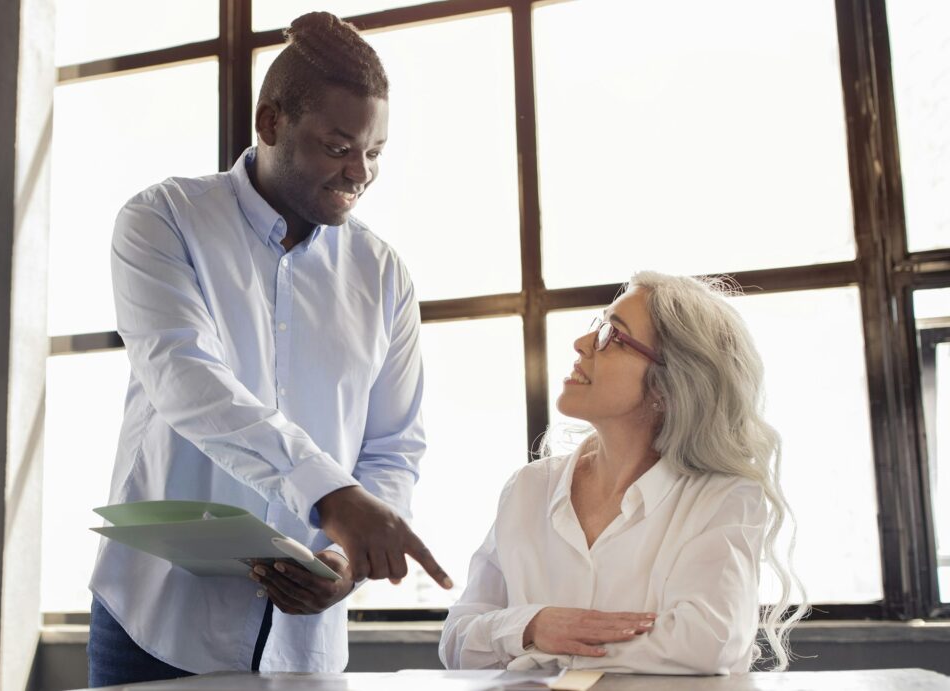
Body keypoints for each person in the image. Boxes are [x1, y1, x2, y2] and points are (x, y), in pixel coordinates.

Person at [88, 11, 451, 687]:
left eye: (375, 152)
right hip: (156, 622)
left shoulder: (383, 274)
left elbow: (394, 445)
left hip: (307, 644)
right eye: (340, 145)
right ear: (271, 122)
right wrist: (332, 495)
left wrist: (349, 560)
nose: (360, 172)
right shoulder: (162, 221)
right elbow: (186, 379)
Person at [439, 271, 806, 674]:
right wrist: (535, 624)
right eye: (598, 326)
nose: (581, 344)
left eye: (612, 336)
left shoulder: (724, 496)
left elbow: (708, 643)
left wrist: (531, 651)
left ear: (667, 387)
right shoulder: (529, 487)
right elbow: (457, 639)